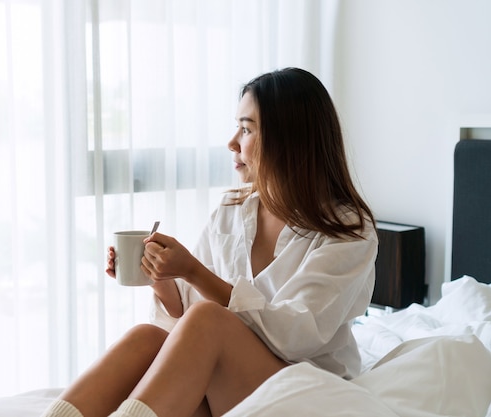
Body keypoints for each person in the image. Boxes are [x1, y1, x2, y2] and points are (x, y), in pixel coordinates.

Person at [41, 67, 377, 417]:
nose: (232, 142)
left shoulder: (347, 229)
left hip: (303, 391)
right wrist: (163, 277)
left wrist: (194, 271)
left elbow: (297, 335)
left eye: (246, 129)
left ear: (288, 139)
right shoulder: (233, 211)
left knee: (209, 319)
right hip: (233, 384)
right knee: (147, 338)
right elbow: (186, 319)